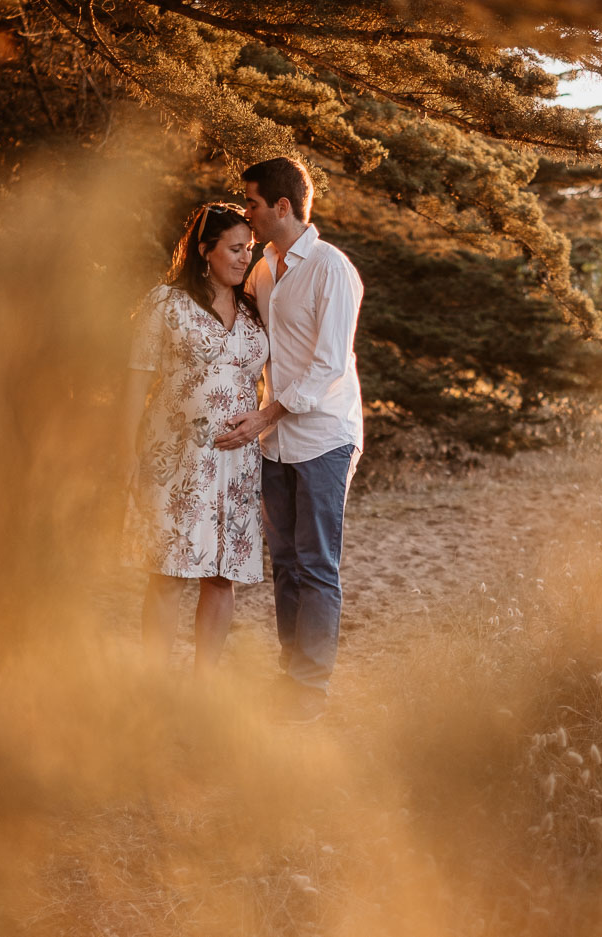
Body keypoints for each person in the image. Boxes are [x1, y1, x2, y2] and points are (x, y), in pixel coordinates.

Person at [215, 157, 364, 723]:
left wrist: (264, 415)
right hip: (274, 439)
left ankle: (310, 691)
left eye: (252, 204)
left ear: (282, 206)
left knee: (316, 561)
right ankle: (289, 675)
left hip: (324, 436)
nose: (246, 215)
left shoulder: (331, 269)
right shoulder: (263, 269)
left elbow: (328, 366)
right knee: (284, 561)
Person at [122, 202, 267, 676]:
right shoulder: (165, 302)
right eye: (235, 248)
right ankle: (154, 683)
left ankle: (204, 685)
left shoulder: (252, 309)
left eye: (249, 248)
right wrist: (124, 450)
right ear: (205, 249)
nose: (245, 257)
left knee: (222, 576)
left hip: (239, 463)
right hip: (177, 458)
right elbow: (135, 383)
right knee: (168, 573)